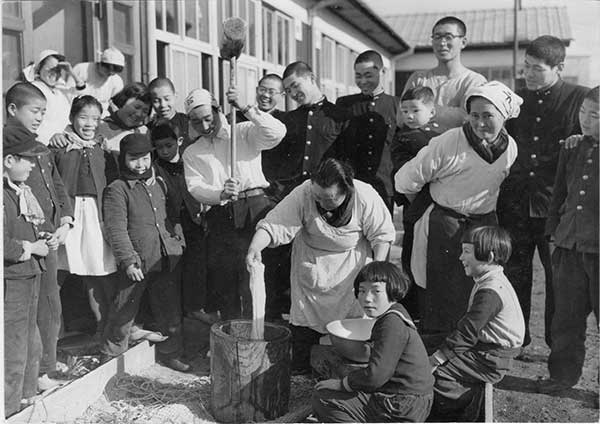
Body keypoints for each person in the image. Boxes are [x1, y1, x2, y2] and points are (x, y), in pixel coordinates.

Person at [395, 81, 521, 336]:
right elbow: (404, 180)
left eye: (488, 116)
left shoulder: (510, 148)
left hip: (483, 224)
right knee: (438, 288)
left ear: (504, 117)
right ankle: (435, 349)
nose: (480, 123)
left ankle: (469, 346)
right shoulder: (449, 142)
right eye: (474, 115)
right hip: (444, 222)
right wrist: (424, 202)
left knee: (478, 286)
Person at [246, 159, 396, 373]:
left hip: (350, 270)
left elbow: (382, 235)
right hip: (311, 267)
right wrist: (255, 247)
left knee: (349, 328)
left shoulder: (365, 195)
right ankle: (301, 370)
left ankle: (339, 370)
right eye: (318, 197)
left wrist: (377, 270)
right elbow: (275, 224)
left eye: (329, 198)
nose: (322, 202)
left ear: (346, 190)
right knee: (304, 330)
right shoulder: (304, 192)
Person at [497, 35, 589, 351]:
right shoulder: (514, 100)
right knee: (515, 275)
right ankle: (516, 340)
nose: (528, 74)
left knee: (559, 282)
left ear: (559, 67)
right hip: (515, 205)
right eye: (526, 67)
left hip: (557, 209)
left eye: (537, 69)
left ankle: (557, 347)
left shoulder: (580, 99)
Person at [183, 87, 286, 321]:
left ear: (220, 111)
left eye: (209, 118)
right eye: (197, 122)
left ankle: (261, 331)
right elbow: (195, 187)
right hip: (222, 213)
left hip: (255, 206)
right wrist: (219, 193)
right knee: (226, 277)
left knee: (258, 270)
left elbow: (277, 133)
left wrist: (246, 108)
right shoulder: (192, 152)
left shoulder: (243, 132)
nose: (206, 126)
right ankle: (233, 333)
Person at [5, 82, 74, 391]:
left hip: (49, 238)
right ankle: (32, 376)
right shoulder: (10, 150)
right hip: (24, 242)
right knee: (27, 314)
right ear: (12, 110)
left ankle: (45, 364)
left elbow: (56, 186)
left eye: (44, 113)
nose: (39, 118)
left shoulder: (40, 147)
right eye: (34, 111)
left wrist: (65, 221)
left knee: (50, 304)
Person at [100, 133, 189, 372]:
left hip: (165, 256)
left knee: (170, 308)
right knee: (124, 309)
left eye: (145, 158)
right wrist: (128, 260)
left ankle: (171, 353)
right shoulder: (117, 190)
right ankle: (111, 355)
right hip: (137, 261)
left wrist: (177, 241)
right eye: (133, 159)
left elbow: (172, 215)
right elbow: (116, 229)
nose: (140, 165)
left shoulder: (159, 182)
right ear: (123, 160)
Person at [312, 261, 434, 422]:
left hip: (402, 404)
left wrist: (342, 384)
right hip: (412, 398)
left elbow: (376, 376)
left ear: (392, 291)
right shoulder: (396, 314)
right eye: (362, 291)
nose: (367, 298)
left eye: (376, 291)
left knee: (324, 398)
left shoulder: (391, 323)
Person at [428, 226, 524, 421]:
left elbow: (467, 333)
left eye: (466, 252)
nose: (460, 258)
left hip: (491, 358)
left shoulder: (490, 291)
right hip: (486, 349)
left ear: (488, 256)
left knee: (432, 371)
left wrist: (435, 360)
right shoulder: (489, 279)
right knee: (425, 344)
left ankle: (467, 405)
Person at [537, 86, 599, 393]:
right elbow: (559, 193)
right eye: (582, 112)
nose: (585, 120)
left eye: (595, 115)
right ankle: (562, 377)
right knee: (566, 319)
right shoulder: (573, 147)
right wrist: (553, 235)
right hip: (568, 247)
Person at [50, 95, 118, 343]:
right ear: (71, 118)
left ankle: (106, 330)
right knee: (55, 274)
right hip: (66, 214)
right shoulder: (59, 146)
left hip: (95, 215)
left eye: (95, 118)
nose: (89, 124)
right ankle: (52, 336)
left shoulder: (102, 148)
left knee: (97, 270)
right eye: (83, 117)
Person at [3, 127, 49, 417]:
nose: (33, 165)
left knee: (31, 342)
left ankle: (26, 396)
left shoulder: (21, 191)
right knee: (13, 346)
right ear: (9, 160)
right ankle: (7, 409)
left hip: (29, 275)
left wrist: (43, 236)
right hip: (12, 280)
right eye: (27, 159)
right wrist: (31, 247)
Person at [262, 61, 347, 202]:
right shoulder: (289, 119)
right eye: (288, 90)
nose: (293, 93)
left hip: (327, 197)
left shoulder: (339, 116)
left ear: (311, 78)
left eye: (295, 86)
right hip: (292, 198)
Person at [150, 119, 209, 323]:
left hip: (194, 220)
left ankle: (194, 307)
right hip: (171, 224)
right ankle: (176, 313)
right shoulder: (155, 169)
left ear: (180, 141)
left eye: (169, 145)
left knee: (196, 265)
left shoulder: (190, 162)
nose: (165, 151)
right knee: (175, 268)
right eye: (159, 147)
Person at [390, 86, 439, 319]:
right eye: (405, 110)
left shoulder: (435, 138)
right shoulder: (405, 138)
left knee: (429, 261)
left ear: (432, 111)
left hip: (434, 204)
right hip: (417, 207)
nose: (409, 116)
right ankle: (414, 312)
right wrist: (419, 206)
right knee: (412, 260)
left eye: (415, 110)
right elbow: (405, 180)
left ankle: (428, 310)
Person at [335, 50, 399, 212]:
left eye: (368, 75)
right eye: (358, 75)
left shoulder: (396, 105)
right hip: (352, 186)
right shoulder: (344, 104)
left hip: (384, 187)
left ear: (382, 72)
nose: (362, 81)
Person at [400, 16, 486, 133]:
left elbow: (468, 119)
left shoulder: (474, 81)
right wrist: (454, 113)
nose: (442, 43)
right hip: (420, 148)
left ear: (463, 42)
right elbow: (401, 118)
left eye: (448, 37)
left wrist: (422, 110)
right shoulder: (419, 79)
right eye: (437, 37)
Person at [28, 50, 84, 145]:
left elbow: (81, 92)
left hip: (66, 142)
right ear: (39, 69)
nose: (54, 73)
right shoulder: (34, 89)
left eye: (58, 70)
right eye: (50, 69)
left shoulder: (60, 90)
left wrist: (71, 72)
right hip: (46, 142)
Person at [68, 47, 125, 117]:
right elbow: (69, 93)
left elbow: (114, 101)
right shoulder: (82, 69)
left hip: (102, 115)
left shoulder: (116, 80)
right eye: (108, 69)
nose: (110, 73)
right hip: (79, 112)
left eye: (114, 71)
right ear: (101, 63)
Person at [148, 77, 190, 148]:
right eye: (156, 101)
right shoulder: (148, 130)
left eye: (167, 99)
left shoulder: (189, 124)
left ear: (175, 95)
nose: (163, 105)